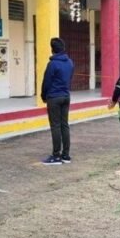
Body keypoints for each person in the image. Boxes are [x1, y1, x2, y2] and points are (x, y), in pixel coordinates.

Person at [41, 37, 74, 165]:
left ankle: (56, 155)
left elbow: (46, 82)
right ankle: (66, 155)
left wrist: (43, 96)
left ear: (52, 49)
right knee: (64, 125)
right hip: (66, 96)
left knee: (55, 126)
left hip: (54, 97)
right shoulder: (70, 62)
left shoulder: (52, 64)